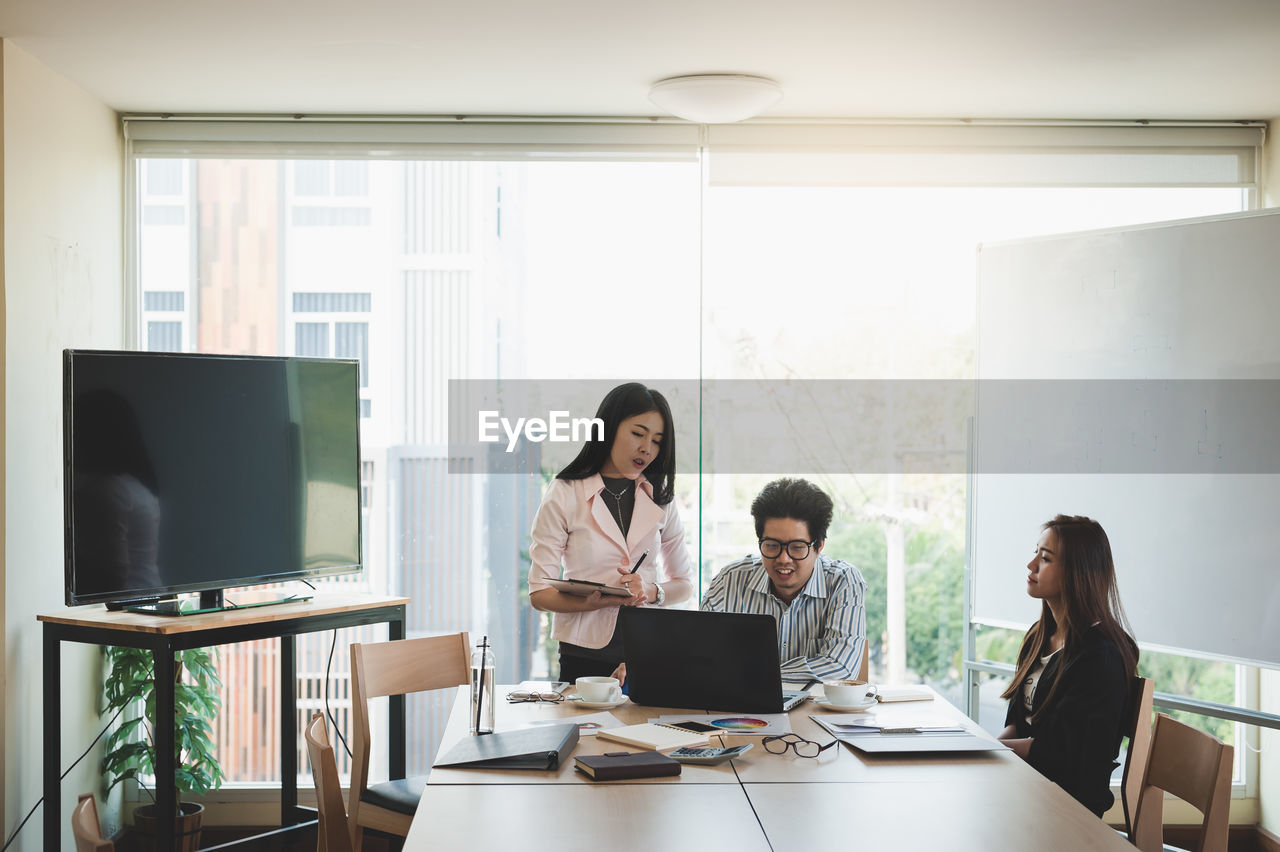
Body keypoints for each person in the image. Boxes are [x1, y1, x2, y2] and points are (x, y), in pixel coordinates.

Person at [613, 477, 867, 686]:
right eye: (772, 545)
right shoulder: (730, 580)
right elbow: (699, 653)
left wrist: (751, 675)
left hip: (816, 725)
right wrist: (648, 664)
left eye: (797, 548)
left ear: (819, 546)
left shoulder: (843, 582)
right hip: (741, 720)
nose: (783, 559)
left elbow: (840, 668)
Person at [527, 383, 694, 683]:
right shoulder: (565, 493)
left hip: (648, 651)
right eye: (638, 433)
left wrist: (651, 592)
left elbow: (684, 585)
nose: (647, 448)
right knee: (587, 731)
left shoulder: (660, 498)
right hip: (583, 655)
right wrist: (591, 602)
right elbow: (539, 593)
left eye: (657, 440)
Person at [997, 514, 1139, 818]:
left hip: (1066, 808)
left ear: (1076, 572)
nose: (1031, 565)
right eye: (1035, 553)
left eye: (1045, 558)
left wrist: (988, 752)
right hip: (1028, 790)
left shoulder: (1102, 655)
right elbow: (1017, 725)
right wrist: (981, 748)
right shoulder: (1038, 636)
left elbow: (1059, 754)